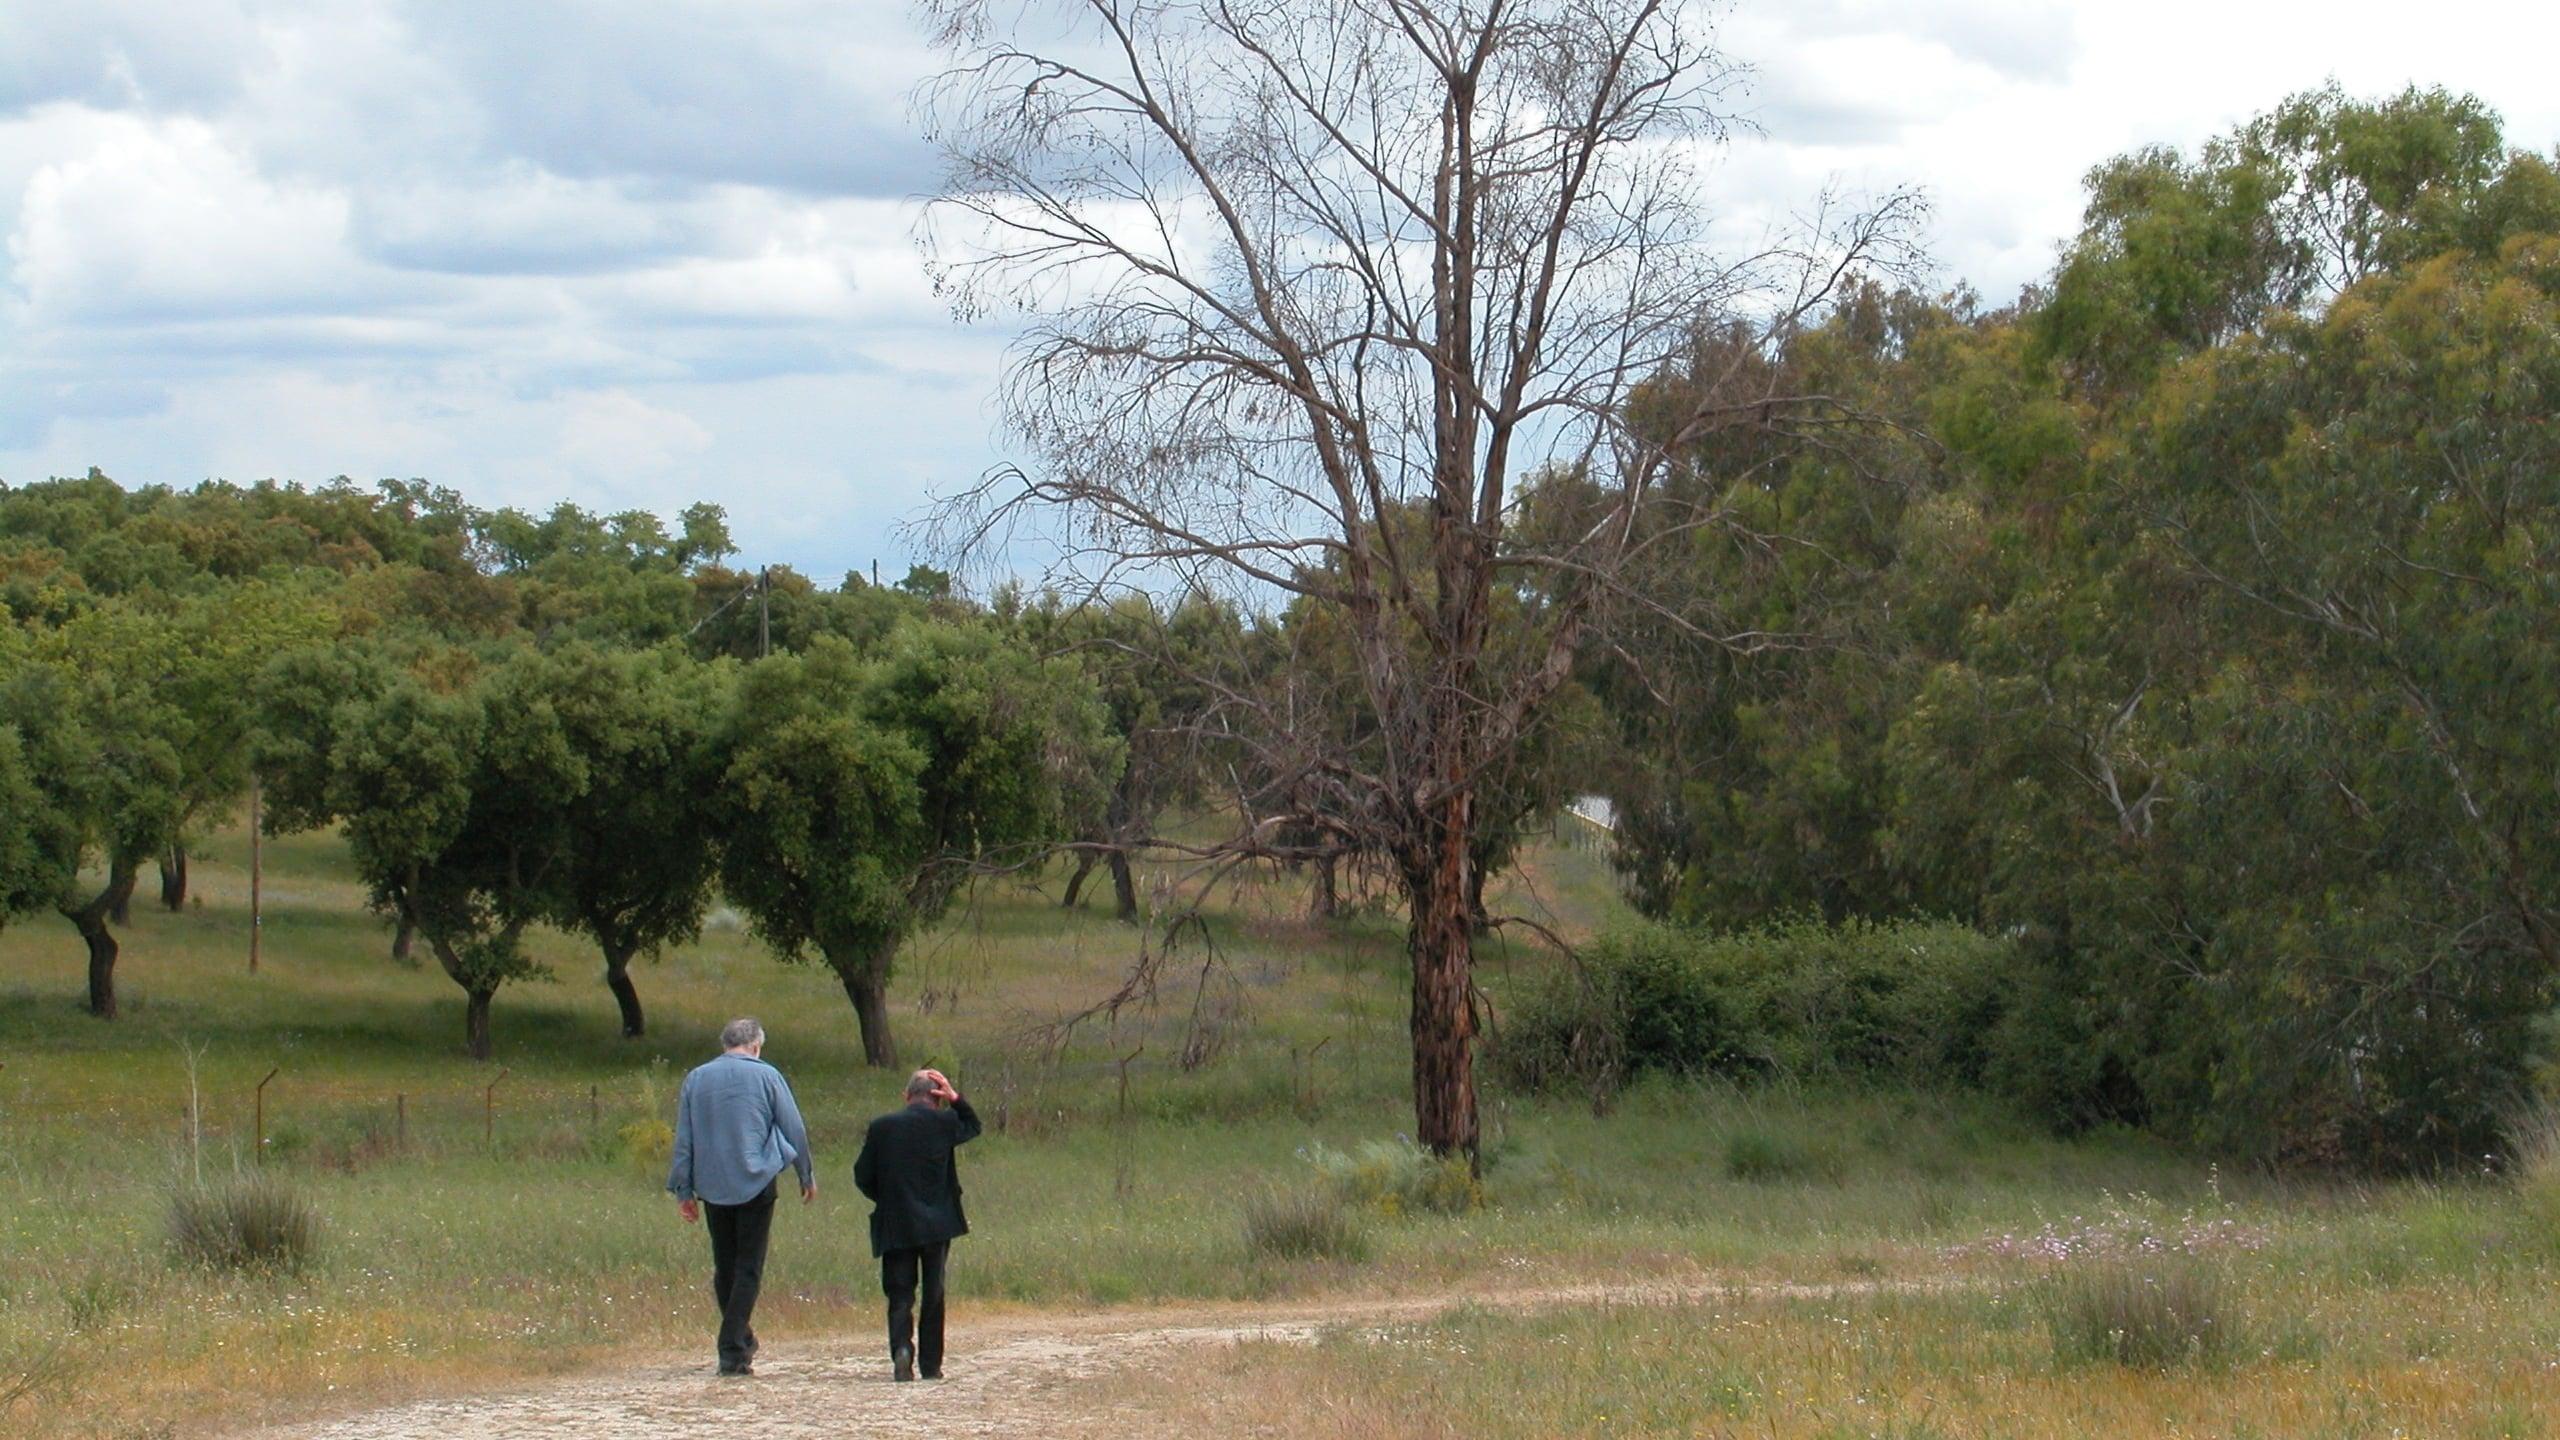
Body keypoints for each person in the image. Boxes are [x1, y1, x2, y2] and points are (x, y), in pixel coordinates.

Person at [667, 1017, 816, 1378]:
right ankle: (732, 1348)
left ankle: (740, 1341)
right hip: (757, 1180)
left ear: (725, 1044)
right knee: (748, 1267)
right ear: (755, 1045)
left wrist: (683, 1189)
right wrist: (805, 1174)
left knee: (725, 1265)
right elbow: (792, 1126)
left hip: (713, 1185)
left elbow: (684, 1138)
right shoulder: (767, 1075)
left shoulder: (696, 1078)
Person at [853, 1067, 981, 1382]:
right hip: (939, 1223)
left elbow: (862, 1175)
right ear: (937, 1099)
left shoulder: (882, 1127)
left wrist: (884, 1198)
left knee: (899, 1293)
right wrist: (956, 1098)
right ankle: (931, 1365)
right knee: (933, 1293)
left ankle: (901, 1351)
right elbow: (973, 1125)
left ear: (906, 1096)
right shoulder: (946, 1122)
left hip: (896, 1220)